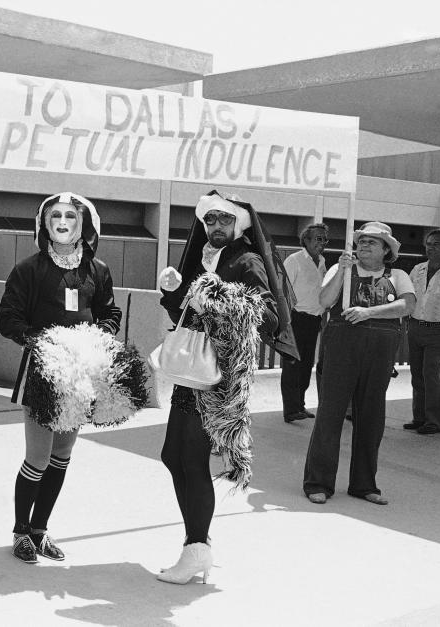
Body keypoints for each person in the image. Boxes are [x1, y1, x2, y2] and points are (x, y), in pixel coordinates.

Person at [158, 190, 290, 584]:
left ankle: (197, 548)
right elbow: (186, 310)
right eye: (210, 220)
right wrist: (174, 290)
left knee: (191, 460)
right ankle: (194, 545)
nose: (216, 227)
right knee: (172, 455)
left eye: (224, 220)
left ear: (239, 224)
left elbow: (266, 315)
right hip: (196, 370)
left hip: (218, 377)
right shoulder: (209, 257)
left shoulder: (245, 259)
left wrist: (216, 298)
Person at [0, 192, 121, 564]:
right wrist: (45, 343)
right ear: (44, 222)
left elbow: (110, 311)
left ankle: (40, 530)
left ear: (85, 224)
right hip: (43, 371)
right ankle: (20, 531)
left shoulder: (97, 270)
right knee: (37, 456)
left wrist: (99, 336)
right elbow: (9, 320)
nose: (63, 221)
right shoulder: (28, 269)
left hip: (80, 375)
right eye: (55, 214)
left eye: (71, 215)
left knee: (61, 456)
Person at [303, 222, 415, 506]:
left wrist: (368, 312)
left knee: (371, 418)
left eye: (373, 242)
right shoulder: (341, 269)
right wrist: (341, 271)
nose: (364, 245)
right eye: (362, 240)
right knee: (330, 414)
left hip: (378, 355)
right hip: (341, 350)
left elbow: (407, 306)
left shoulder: (398, 275)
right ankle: (318, 482)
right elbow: (325, 300)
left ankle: (364, 484)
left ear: (386, 250)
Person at [281, 223, 328, 423]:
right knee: (292, 366)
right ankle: (291, 410)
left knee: (306, 365)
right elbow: (282, 290)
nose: (322, 243)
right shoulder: (295, 260)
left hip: (313, 321)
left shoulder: (322, 261)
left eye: (324, 239)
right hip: (295, 319)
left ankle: (299, 405)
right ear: (306, 240)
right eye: (318, 238)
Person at [405, 229, 440, 435]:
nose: (430, 247)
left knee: (431, 373)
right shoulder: (418, 269)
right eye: (428, 244)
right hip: (415, 327)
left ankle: (435, 420)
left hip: (438, 330)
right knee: (417, 374)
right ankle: (419, 417)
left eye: (436, 244)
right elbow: (409, 296)